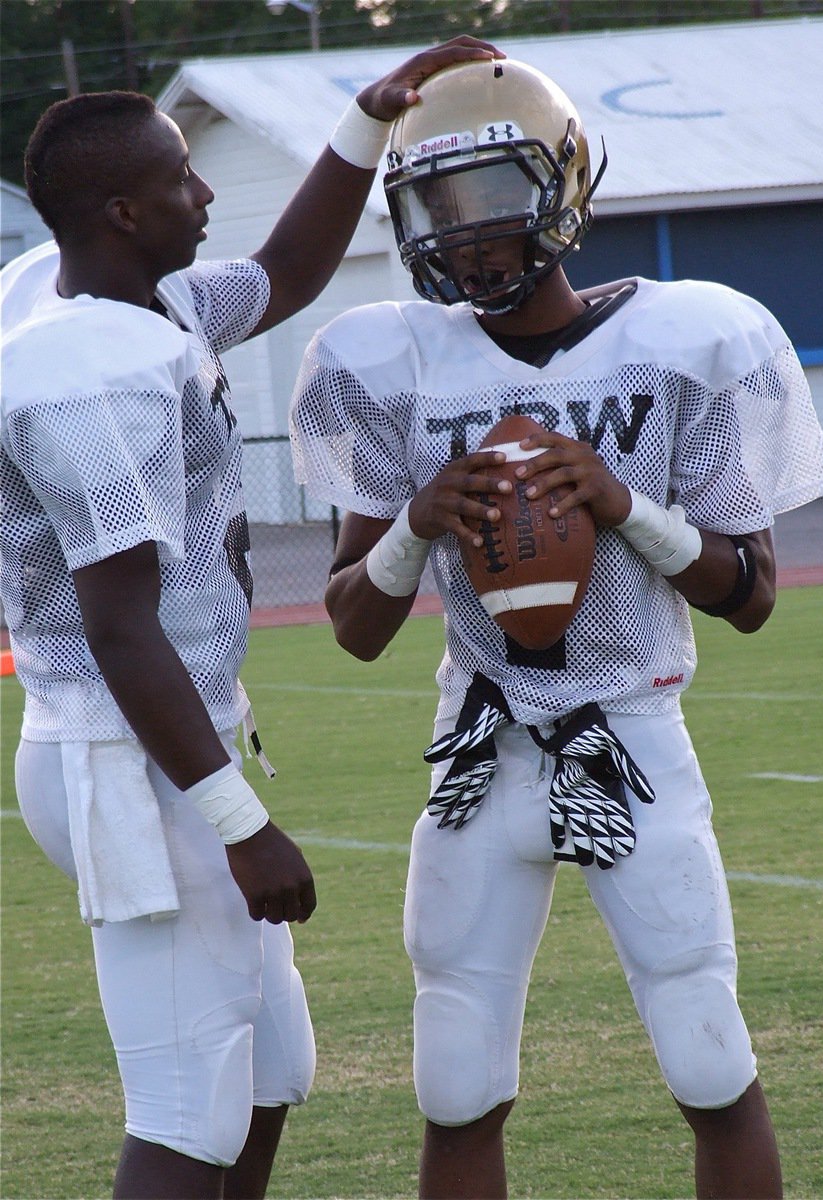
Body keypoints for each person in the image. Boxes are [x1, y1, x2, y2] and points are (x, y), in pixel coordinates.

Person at [289, 57, 823, 1199]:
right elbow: (350, 623)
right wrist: (413, 527)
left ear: (561, 185)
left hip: (629, 731)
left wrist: (621, 506)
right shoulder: (392, 360)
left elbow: (750, 595)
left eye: (490, 193)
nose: (467, 233)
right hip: (477, 751)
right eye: (438, 205)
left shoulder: (688, 338)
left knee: (706, 1054)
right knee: (452, 1080)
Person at [0, 36, 504, 1200]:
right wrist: (238, 822)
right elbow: (120, 626)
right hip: (122, 761)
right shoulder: (88, 372)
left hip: (160, 744)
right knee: (185, 1113)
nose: (207, 189)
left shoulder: (128, 293)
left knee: (269, 1073)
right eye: (184, 176)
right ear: (122, 211)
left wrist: (367, 119)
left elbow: (286, 266)